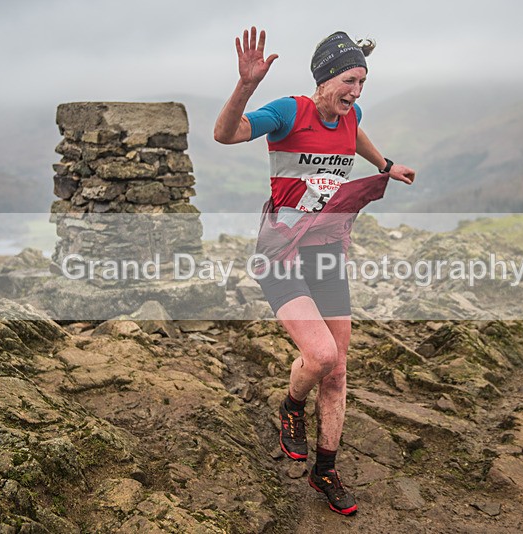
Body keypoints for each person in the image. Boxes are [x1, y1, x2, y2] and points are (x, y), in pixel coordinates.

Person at [214, 27, 415, 516]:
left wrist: (385, 164)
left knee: (338, 370)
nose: (357, 92)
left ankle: (325, 469)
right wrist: (245, 85)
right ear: (325, 78)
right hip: (280, 252)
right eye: (349, 81)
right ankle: (290, 405)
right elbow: (226, 134)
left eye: (362, 83)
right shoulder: (289, 112)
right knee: (321, 355)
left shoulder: (352, 114)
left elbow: (354, 132)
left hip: (326, 253)